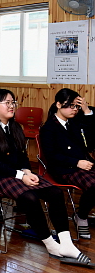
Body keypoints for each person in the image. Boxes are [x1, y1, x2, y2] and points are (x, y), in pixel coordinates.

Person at [0, 89, 91, 266]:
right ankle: (51, 245)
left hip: (16, 173)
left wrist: (27, 171)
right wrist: (21, 175)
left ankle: (66, 244)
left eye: (14, 102)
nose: (12, 106)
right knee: (30, 197)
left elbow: (21, 156)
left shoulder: (14, 127)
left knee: (55, 193)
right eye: (8, 103)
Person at [40, 88, 95, 239]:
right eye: (70, 106)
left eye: (76, 106)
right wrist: (77, 162)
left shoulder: (74, 122)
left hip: (82, 164)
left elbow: (90, 139)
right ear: (58, 104)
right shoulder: (49, 128)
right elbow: (52, 156)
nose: (74, 110)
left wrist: (86, 110)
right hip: (64, 168)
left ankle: (84, 212)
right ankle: (81, 216)